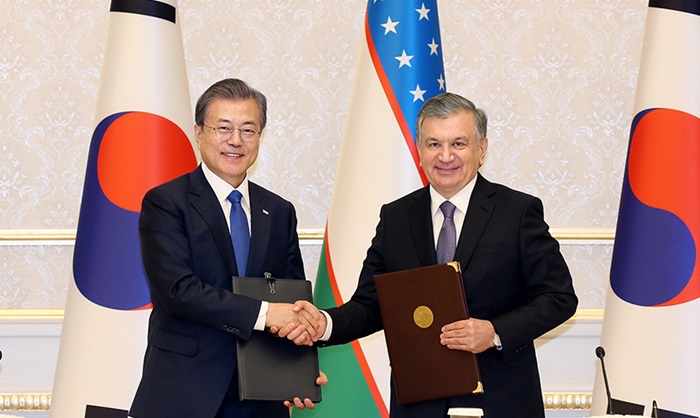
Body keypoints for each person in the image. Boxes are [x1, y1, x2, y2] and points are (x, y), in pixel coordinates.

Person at [286, 92, 578, 417]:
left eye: (458, 143)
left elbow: (559, 297)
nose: (446, 156)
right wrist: (323, 323)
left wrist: (494, 332)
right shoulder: (396, 217)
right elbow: (371, 306)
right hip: (419, 404)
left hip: (500, 401)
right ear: (419, 151)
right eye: (434, 144)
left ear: (481, 150)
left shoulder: (518, 212)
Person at [129, 78, 326, 418]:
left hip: (261, 397)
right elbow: (178, 290)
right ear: (198, 132)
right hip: (185, 394)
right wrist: (265, 313)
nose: (235, 141)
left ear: (260, 137)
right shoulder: (166, 203)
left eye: (248, 130)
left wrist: (300, 371)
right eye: (223, 128)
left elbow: (291, 301)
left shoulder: (279, 211)